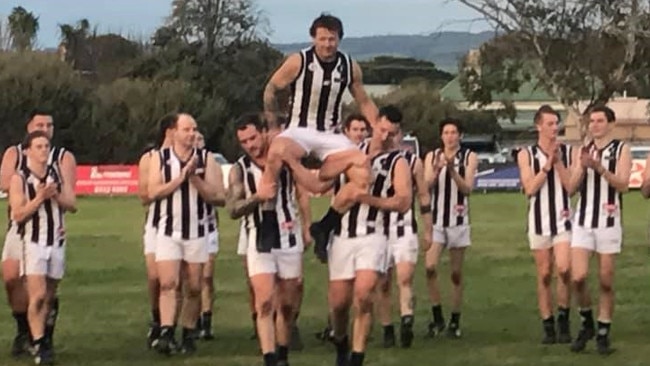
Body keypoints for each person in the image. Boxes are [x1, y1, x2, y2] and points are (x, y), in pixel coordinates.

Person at [258, 13, 379, 253]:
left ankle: (326, 224)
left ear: (339, 40)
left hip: (331, 134)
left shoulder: (348, 65)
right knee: (277, 151)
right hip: (299, 129)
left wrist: (380, 129)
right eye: (322, 39)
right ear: (313, 38)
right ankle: (269, 220)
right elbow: (271, 88)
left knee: (364, 176)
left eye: (332, 39)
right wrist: (273, 126)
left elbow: (364, 101)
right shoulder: (299, 60)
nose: (327, 44)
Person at [304, 106, 412, 366]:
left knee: (364, 295)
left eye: (392, 133)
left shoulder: (398, 161)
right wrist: (348, 165)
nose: (385, 136)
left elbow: (403, 202)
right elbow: (323, 175)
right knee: (339, 304)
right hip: (342, 236)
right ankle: (340, 341)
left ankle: (357, 356)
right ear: (374, 124)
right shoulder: (350, 150)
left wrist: (368, 198)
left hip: (373, 235)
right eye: (382, 129)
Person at [226, 114, 317, 366]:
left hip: (288, 236)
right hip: (259, 237)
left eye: (253, 137)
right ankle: (269, 357)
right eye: (244, 141)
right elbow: (232, 209)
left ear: (265, 132)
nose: (250, 145)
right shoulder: (240, 169)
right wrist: (257, 196)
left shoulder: (286, 158)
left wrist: (307, 226)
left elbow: (305, 189)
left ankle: (283, 352)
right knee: (264, 301)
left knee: (287, 304)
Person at [0, 109, 77, 356]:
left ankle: (42, 338)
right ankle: (25, 330)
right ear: (29, 128)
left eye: (49, 125)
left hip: (53, 231)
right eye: (40, 125)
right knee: (12, 278)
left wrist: (55, 194)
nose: (45, 129)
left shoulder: (63, 158)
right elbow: (5, 184)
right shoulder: (16, 155)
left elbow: (71, 200)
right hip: (22, 230)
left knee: (46, 290)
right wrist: (35, 192)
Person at [147, 113, 223, 355]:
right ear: (175, 132)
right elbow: (153, 192)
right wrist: (181, 178)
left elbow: (218, 197)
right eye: (187, 129)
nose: (191, 134)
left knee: (193, 286)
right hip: (168, 230)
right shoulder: (160, 158)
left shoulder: (206, 159)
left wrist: (195, 180)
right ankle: (167, 332)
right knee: (168, 283)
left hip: (197, 231)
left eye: (194, 130)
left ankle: (189, 332)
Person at [567, 105, 631, 354]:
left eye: (600, 120)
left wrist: (600, 168)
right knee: (578, 277)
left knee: (605, 280)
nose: (595, 125)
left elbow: (624, 185)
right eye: (591, 121)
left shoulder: (621, 149)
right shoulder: (582, 150)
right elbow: (571, 188)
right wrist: (582, 167)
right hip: (583, 220)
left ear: (610, 124)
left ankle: (603, 330)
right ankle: (586, 322)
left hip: (609, 220)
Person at [516, 105, 575, 344]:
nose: (554, 128)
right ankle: (547, 323)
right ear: (538, 126)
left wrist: (558, 162)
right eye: (549, 124)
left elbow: (571, 187)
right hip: (539, 222)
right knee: (544, 274)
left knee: (564, 269)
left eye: (556, 123)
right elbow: (529, 188)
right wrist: (547, 164)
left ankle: (563, 317)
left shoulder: (568, 152)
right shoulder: (526, 154)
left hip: (563, 220)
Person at [376, 124, 432, 349]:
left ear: (401, 135)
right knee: (383, 282)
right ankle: (387, 327)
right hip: (378, 228)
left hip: (404, 227)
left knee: (405, 277)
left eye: (395, 133)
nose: (391, 138)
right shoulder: (372, 159)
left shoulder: (413, 162)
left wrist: (428, 229)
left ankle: (406, 319)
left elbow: (424, 194)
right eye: (387, 133)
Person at [422, 118, 478, 339]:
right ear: (441, 136)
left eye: (454, 132)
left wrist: (453, 171)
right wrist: (436, 171)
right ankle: (437, 316)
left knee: (455, 273)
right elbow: (426, 186)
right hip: (436, 221)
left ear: (460, 136)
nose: (450, 136)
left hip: (458, 220)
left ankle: (455, 319)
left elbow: (468, 189)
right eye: (446, 132)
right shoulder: (431, 156)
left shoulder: (469, 157)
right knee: (430, 267)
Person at [193, 131, 227, 340]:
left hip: (207, 226)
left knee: (206, 276)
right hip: (186, 228)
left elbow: (220, 197)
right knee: (191, 279)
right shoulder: (179, 162)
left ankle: (206, 320)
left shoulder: (210, 163)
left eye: (200, 139)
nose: (196, 141)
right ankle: (193, 320)